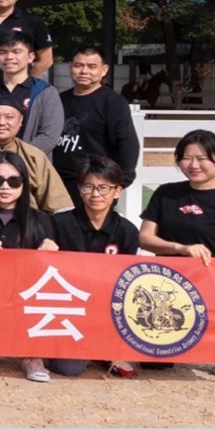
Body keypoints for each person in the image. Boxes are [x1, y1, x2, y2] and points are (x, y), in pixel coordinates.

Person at [140, 130, 215, 377]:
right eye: (186, 158)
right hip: (167, 286)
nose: (193, 165)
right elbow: (145, 238)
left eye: (202, 158)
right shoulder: (166, 194)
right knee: (154, 359)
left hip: (212, 288)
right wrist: (179, 248)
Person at [0, 148, 60, 382]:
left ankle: (31, 354)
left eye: (14, 181)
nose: (5, 187)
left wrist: (49, 253)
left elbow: (49, 272)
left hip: (23, 295)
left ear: (24, 184)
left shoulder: (39, 221)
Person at [51, 154, 142, 379]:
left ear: (117, 191)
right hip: (68, 308)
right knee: (70, 369)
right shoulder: (59, 224)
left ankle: (103, 350)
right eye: (88, 187)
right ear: (79, 189)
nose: (95, 194)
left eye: (104, 188)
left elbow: (128, 281)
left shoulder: (127, 231)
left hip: (107, 309)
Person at [55, 46, 140, 207]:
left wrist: (119, 183)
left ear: (104, 70)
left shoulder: (113, 102)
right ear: (70, 67)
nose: (84, 71)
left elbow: (127, 143)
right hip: (57, 184)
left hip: (94, 186)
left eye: (92, 66)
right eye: (79, 65)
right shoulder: (59, 100)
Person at [0, 30, 62, 157]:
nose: (9, 57)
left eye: (16, 52)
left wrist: (16, 159)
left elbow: (49, 135)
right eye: (3, 52)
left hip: (31, 163)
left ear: (30, 57)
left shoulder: (46, 93)